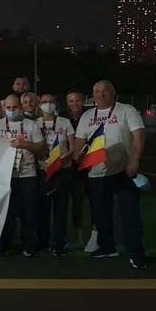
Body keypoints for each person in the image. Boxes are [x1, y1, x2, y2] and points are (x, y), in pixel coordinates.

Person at [74, 80, 147, 269]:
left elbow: (139, 136)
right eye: (96, 91)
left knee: (130, 214)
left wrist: (134, 160)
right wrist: (78, 155)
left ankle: (136, 253)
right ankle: (107, 247)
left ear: (113, 92)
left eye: (104, 91)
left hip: (123, 170)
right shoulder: (87, 116)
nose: (100, 94)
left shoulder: (127, 110)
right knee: (101, 213)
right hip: (96, 172)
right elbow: (79, 142)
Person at [0, 94, 46, 257]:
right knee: (6, 213)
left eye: (14, 107)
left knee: (28, 212)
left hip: (27, 174)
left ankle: (29, 245)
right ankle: (4, 246)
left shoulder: (31, 125)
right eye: (8, 108)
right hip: (5, 176)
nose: (11, 110)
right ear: (3, 107)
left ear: (20, 108)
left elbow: (41, 149)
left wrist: (25, 144)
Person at [37, 93, 75, 255]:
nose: (48, 104)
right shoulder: (34, 123)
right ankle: (43, 242)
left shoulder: (65, 122)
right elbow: (33, 148)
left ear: (56, 104)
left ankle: (58, 243)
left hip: (62, 171)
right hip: (42, 170)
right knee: (42, 210)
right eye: (44, 102)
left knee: (61, 209)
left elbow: (73, 147)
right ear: (39, 105)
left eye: (51, 101)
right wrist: (42, 163)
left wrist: (61, 160)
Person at [65, 89, 89, 246]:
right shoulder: (62, 118)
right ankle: (77, 235)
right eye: (71, 101)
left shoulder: (91, 116)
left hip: (90, 165)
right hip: (69, 167)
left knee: (95, 202)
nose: (75, 104)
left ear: (84, 101)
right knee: (75, 202)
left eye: (78, 100)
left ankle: (96, 236)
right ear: (67, 103)